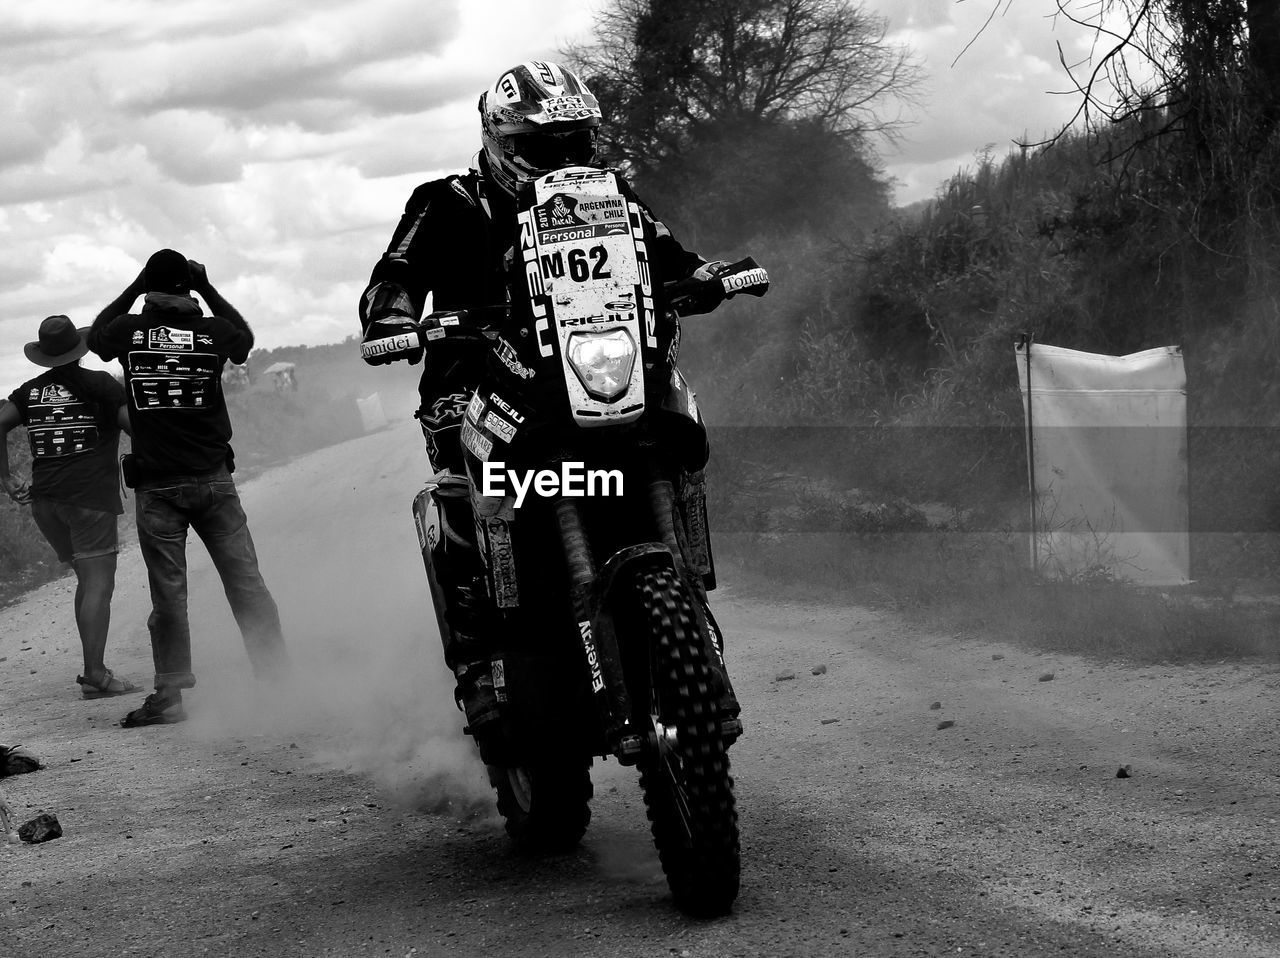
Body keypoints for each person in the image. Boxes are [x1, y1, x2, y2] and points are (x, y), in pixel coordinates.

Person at [358, 60, 723, 729]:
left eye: (574, 143)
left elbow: (668, 252)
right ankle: (481, 659)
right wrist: (392, 317)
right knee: (462, 491)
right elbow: (397, 271)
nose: (562, 158)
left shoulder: (611, 195)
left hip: (591, 367)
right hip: (478, 378)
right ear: (501, 141)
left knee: (674, 438)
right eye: (542, 146)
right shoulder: (447, 202)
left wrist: (704, 274)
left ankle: (684, 590)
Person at [87, 250, 288, 727]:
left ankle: (171, 695)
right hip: (215, 481)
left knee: (169, 598)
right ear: (189, 289)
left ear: (148, 289)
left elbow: (95, 337)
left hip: (158, 487)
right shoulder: (211, 332)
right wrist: (210, 287)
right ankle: (277, 681)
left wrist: (135, 286)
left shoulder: (130, 333)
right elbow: (245, 342)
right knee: (248, 586)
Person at [0, 315, 139, 699]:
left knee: (85, 578)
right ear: (79, 351)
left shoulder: (30, 392)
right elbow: (133, 426)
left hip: (46, 504)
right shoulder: (99, 385)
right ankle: (95, 673)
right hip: (90, 501)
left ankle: (94, 670)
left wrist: (7, 479)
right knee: (98, 583)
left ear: (43, 355)